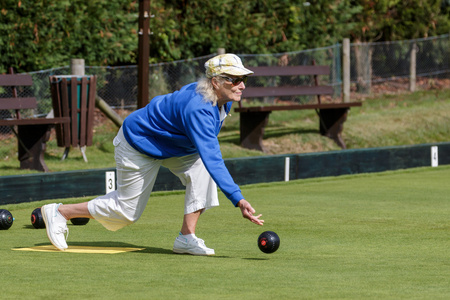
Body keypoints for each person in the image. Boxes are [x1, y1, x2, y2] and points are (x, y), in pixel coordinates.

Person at [41, 53, 264, 256]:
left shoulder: (222, 100)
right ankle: (61, 212)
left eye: (244, 79)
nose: (242, 85)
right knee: (125, 213)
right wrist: (238, 199)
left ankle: (186, 238)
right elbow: (213, 157)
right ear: (215, 82)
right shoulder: (199, 107)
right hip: (139, 144)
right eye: (234, 80)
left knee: (203, 171)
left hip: (172, 146)